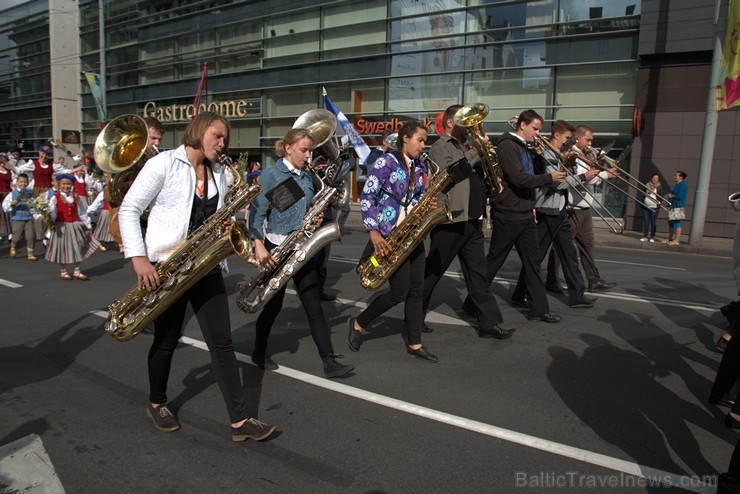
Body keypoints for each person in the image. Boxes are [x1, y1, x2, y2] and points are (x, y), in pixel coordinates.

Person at [119, 111, 276, 442]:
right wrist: (139, 261)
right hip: (167, 266)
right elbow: (129, 210)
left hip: (205, 266)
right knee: (166, 339)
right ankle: (157, 402)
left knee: (222, 342)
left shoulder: (219, 173)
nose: (222, 144)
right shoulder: (163, 163)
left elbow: (217, 218)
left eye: (225, 140)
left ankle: (240, 419)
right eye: (217, 136)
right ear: (199, 130)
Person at [248, 128, 354, 378]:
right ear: (288, 148)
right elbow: (257, 213)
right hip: (277, 247)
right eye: (304, 150)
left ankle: (329, 362)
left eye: (310, 151)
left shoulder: (306, 177)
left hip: (301, 247)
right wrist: (259, 243)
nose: (309, 156)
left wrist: (314, 218)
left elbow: (303, 209)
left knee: (313, 305)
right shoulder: (271, 176)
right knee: (273, 307)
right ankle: (258, 351)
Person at [347, 121, 440, 361]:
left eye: (425, 141)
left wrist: (425, 202)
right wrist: (374, 232)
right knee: (399, 292)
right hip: (390, 234)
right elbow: (368, 195)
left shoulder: (419, 166)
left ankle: (415, 343)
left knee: (417, 290)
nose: (423, 145)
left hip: (412, 232)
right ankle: (359, 322)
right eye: (420, 140)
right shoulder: (385, 162)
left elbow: (417, 194)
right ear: (404, 138)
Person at [422, 105, 515, 339]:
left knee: (478, 275)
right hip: (450, 220)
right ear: (451, 123)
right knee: (432, 274)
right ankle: (414, 316)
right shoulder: (440, 147)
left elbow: (477, 176)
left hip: (473, 220)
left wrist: (492, 182)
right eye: (466, 123)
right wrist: (476, 151)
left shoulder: (467, 146)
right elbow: (451, 173)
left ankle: (489, 324)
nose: (470, 128)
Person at [466, 109, 566, 323]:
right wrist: (549, 177)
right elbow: (519, 178)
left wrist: (539, 157)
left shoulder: (524, 147)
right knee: (494, 261)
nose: (538, 134)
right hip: (508, 213)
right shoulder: (507, 145)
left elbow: (529, 174)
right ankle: (471, 301)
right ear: (522, 125)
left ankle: (539, 310)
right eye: (535, 129)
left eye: (539, 129)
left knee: (533, 263)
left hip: (525, 213)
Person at [511, 120, 598, 309]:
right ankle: (520, 294)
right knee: (537, 258)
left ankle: (577, 295)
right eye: (567, 138)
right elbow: (557, 183)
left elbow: (566, 179)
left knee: (568, 254)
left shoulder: (560, 154)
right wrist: (583, 177)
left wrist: (572, 163)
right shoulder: (548, 153)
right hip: (547, 209)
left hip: (559, 209)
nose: (569, 143)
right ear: (557, 135)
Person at [546, 125, 618, 292]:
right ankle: (551, 280)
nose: (591, 142)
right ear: (578, 138)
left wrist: (598, 168)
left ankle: (594, 280)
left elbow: (594, 180)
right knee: (560, 248)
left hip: (585, 208)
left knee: (587, 245)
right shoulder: (570, 155)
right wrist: (605, 174)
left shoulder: (586, 155)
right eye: (588, 139)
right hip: (572, 208)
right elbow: (580, 178)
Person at [108, 116, 165, 254]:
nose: (157, 143)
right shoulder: (127, 159)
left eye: (159, 139)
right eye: (153, 138)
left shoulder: (161, 160)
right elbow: (111, 194)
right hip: (138, 218)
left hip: (157, 217)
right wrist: (136, 184)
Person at [45, 173, 100, 280]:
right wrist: (50, 216)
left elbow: (82, 212)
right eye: (64, 184)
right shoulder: (55, 198)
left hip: (75, 225)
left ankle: (77, 270)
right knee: (62, 248)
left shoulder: (75, 197)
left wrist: (88, 224)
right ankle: (63, 270)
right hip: (62, 226)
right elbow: (53, 212)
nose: (66, 186)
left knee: (77, 247)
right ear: (59, 185)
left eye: (68, 184)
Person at [3, 173, 37, 260]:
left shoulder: (30, 193)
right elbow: (5, 206)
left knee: (30, 236)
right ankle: (13, 246)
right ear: (17, 182)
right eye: (21, 182)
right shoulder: (12, 194)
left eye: (25, 182)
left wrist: (35, 213)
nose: (23, 184)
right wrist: (12, 204)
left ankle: (30, 253)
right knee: (16, 236)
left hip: (28, 218)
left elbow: (34, 205)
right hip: (17, 218)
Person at [664, 170, 688, 246]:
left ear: (681, 177)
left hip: (678, 205)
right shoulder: (678, 185)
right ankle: (670, 238)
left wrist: (673, 196)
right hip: (673, 205)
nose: (675, 177)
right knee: (671, 222)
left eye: (676, 175)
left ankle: (677, 240)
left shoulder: (682, 185)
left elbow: (681, 196)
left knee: (677, 222)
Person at [640, 173, 662, 242]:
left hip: (655, 207)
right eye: (654, 178)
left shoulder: (659, 187)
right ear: (651, 178)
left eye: (656, 178)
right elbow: (643, 194)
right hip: (646, 206)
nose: (655, 180)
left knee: (653, 222)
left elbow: (661, 197)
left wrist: (659, 204)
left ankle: (652, 237)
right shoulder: (647, 185)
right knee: (646, 222)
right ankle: (645, 236)